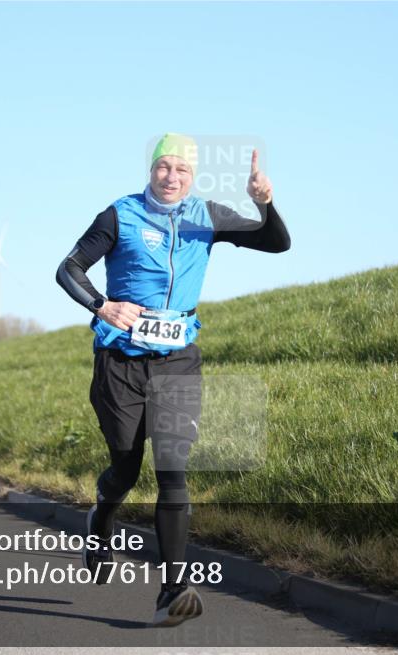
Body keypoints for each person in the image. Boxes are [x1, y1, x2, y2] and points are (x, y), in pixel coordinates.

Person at [56, 133, 290, 626]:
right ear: (151, 170)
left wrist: (264, 204)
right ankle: (101, 519)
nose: (172, 177)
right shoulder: (120, 215)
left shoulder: (209, 216)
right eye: (164, 167)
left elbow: (276, 243)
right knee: (124, 466)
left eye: (182, 170)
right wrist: (103, 305)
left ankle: (172, 590)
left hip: (178, 360)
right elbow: (68, 268)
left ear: (193, 176)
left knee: (172, 470)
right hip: (120, 362)